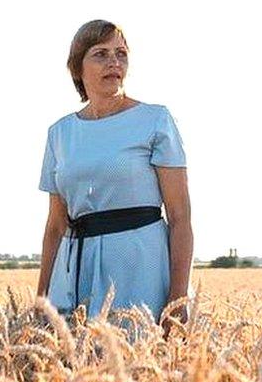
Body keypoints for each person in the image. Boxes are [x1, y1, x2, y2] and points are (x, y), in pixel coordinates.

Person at [36, 20, 193, 325]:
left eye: (121, 53)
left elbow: (180, 216)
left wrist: (178, 297)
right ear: (77, 67)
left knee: (140, 359)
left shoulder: (155, 120)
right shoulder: (60, 133)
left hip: (140, 265)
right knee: (75, 366)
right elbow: (55, 225)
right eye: (101, 53)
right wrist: (42, 297)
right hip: (75, 271)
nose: (114, 62)